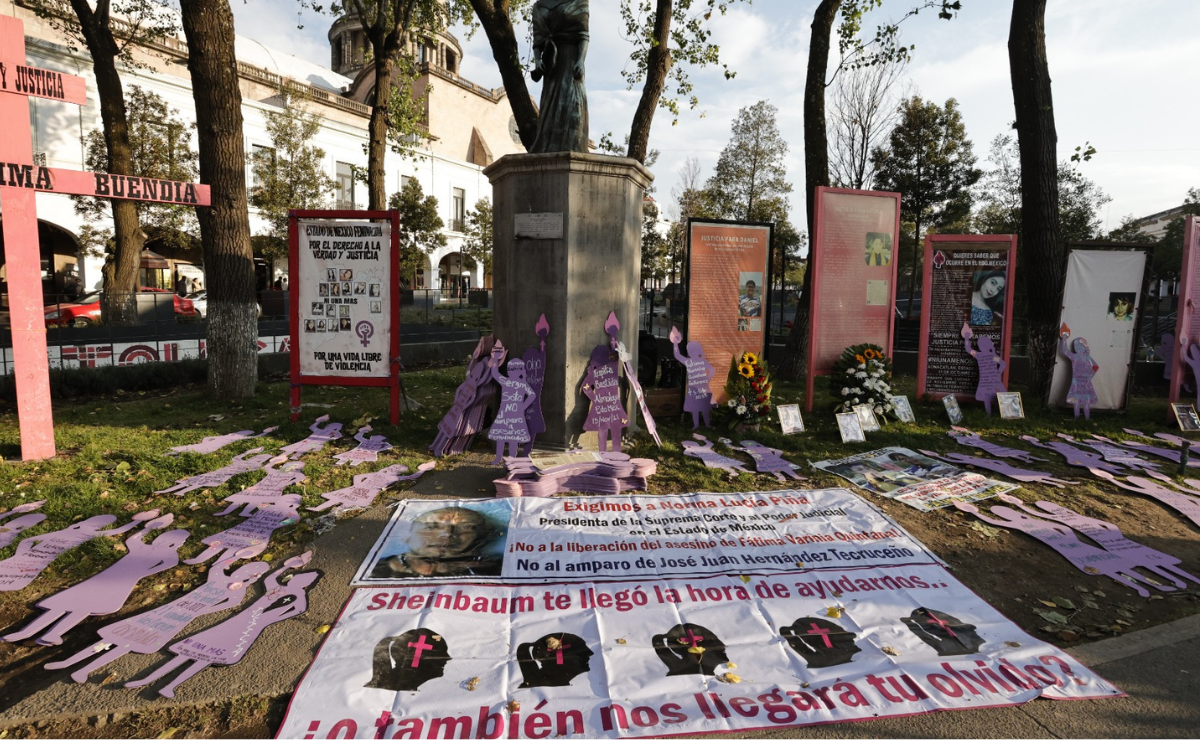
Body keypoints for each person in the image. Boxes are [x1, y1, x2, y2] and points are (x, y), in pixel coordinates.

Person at [369, 507, 503, 578]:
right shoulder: (376, 570)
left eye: (465, 527)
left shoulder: (497, 568)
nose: (448, 533)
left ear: (481, 536)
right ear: (407, 535)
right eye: (431, 527)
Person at [529, 0, 589, 153]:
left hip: (571, 59)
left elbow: (583, 35)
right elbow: (538, 39)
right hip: (551, 63)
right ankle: (549, 145)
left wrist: (581, 61)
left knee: (572, 105)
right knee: (550, 106)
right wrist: (537, 60)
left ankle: (573, 145)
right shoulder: (539, 6)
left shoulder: (579, 1)